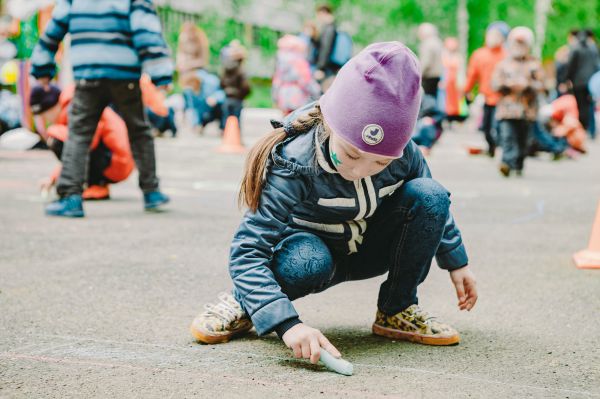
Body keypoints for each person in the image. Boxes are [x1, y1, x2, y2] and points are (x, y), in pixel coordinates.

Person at [189, 42, 477, 362]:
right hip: (308, 255)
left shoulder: (405, 152)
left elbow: (432, 207)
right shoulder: (295, 160)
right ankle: (246, 301)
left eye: (380, 164)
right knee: (308, 260)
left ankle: (397, 309)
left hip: (368, 249)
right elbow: (248, 250)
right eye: (352, 154)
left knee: (431, 193)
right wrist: (287, 325)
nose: (360, 170)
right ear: (330, 122)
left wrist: (456, 261)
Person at [30, 0, 173, 217]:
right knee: (140, 131)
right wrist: (160, 72)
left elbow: (54, 29)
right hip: (125, 75)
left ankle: (70, 197)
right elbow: (146, 31)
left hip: (88, 74)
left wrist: (43, 66)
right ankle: (151, 192)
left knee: (78, 134)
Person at [32, 84, 134, 200]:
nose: (46, 120)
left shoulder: (74, 105)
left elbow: (87, 142)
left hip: (117, 162)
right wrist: (53, 178)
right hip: (117, 159)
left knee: (58, 139)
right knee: (68, 139)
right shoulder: (71, 103)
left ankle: (92, 185)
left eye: (45, 114)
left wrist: (54, 132)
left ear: (53, 106)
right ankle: (95, 185)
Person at [492, 27, 545, 177]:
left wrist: (528, 85)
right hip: (507, 110)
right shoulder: (503, 64)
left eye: (522, 44)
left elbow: (543, 85)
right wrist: (508, 85)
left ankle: (518, 163)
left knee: (523, 140)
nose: (519, 47)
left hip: (527, 111)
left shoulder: (535, 64)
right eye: (516, 43)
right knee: (507, 137)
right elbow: (494, 84)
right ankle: (507, 163)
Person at [464, 23, 508, 156]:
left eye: (497, 35)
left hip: (503, 99)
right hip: (487, 98)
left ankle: (504, 152)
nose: (493, 38)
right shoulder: (479, 55)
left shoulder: (507, 55)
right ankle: (492, 147)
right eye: (491, 34)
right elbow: (472, 75)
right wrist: (467, 91)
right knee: (487, 128)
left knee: (500, 128)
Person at [272, 34, 321, 115]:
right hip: (297, 97)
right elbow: (305, 81)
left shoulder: (280, 62)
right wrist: (317, 92)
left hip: (283, 96)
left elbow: (276, 81)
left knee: (285, 121)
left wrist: (275, 96)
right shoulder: (299, 61)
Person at [566, 30, 599, 136]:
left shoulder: (575, 49)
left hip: (578, 82)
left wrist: (567, 79)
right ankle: (591, 130)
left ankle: (583, 129)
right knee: (590, 106)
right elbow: (596, 65)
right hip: (590, 82)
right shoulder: (593, 49)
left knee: (580, 106)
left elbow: (571, 66)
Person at [220, 41, 251, 130]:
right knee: (236, 120)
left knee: (226, 119)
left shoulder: (225, 68)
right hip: (238, 98)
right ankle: (236, 137)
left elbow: (221, 82)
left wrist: (226, 90)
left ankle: (226, 136)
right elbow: (245, 86)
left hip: (227, 97)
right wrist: (243, 95)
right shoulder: (241, 70)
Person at [314, 4, 339, 89]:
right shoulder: (334, 27)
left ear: (323, 13)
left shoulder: (329, 28)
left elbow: (325, 48)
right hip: (331, 67)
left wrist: (321, 68)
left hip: (327, 69)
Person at [417, 23, 443, 98]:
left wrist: (418, 74)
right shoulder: (438, 42)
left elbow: (426, 62)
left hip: (428, 76)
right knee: (432, 98)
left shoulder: (427, 44)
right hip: (437, 75)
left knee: (427, 100)